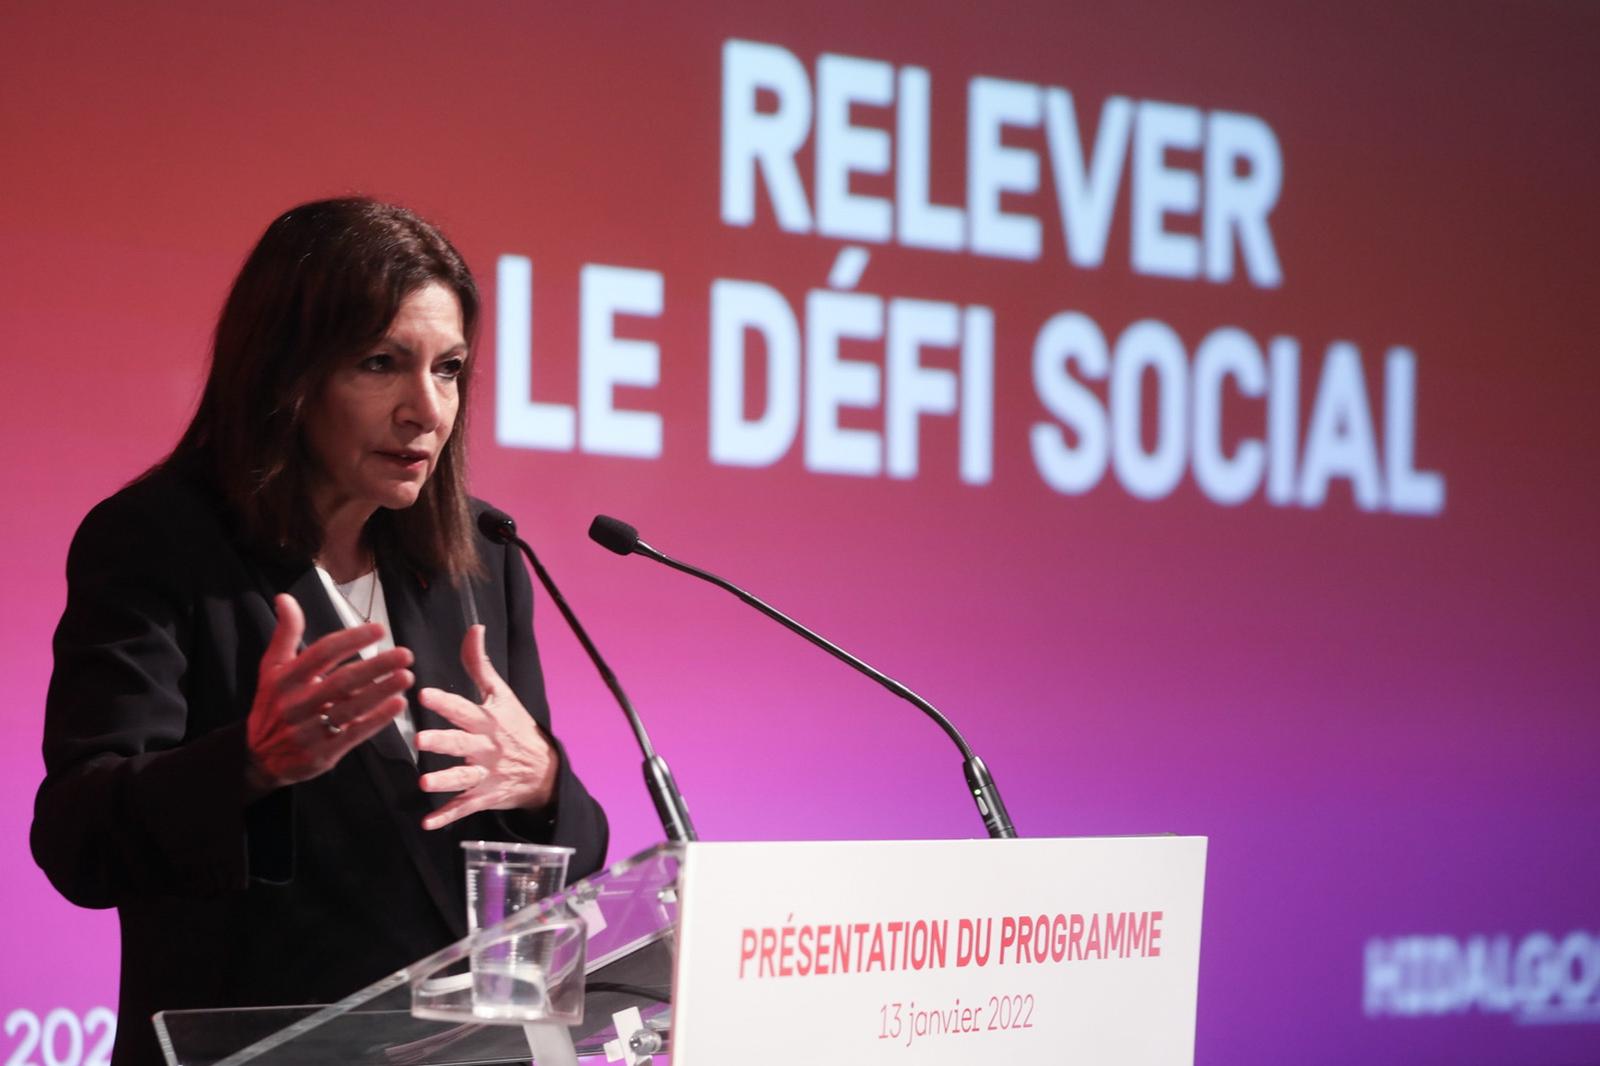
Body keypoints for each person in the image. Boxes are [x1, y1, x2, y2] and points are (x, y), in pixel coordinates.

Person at [30, 198, 608, 1066]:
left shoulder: (479, 554)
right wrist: (251, 762)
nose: (426, 410)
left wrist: (543, 784)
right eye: (381, 363)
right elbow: (77, 841)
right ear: (285, 372)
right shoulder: (159, 543)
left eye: (449, 369)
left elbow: (566, 856)